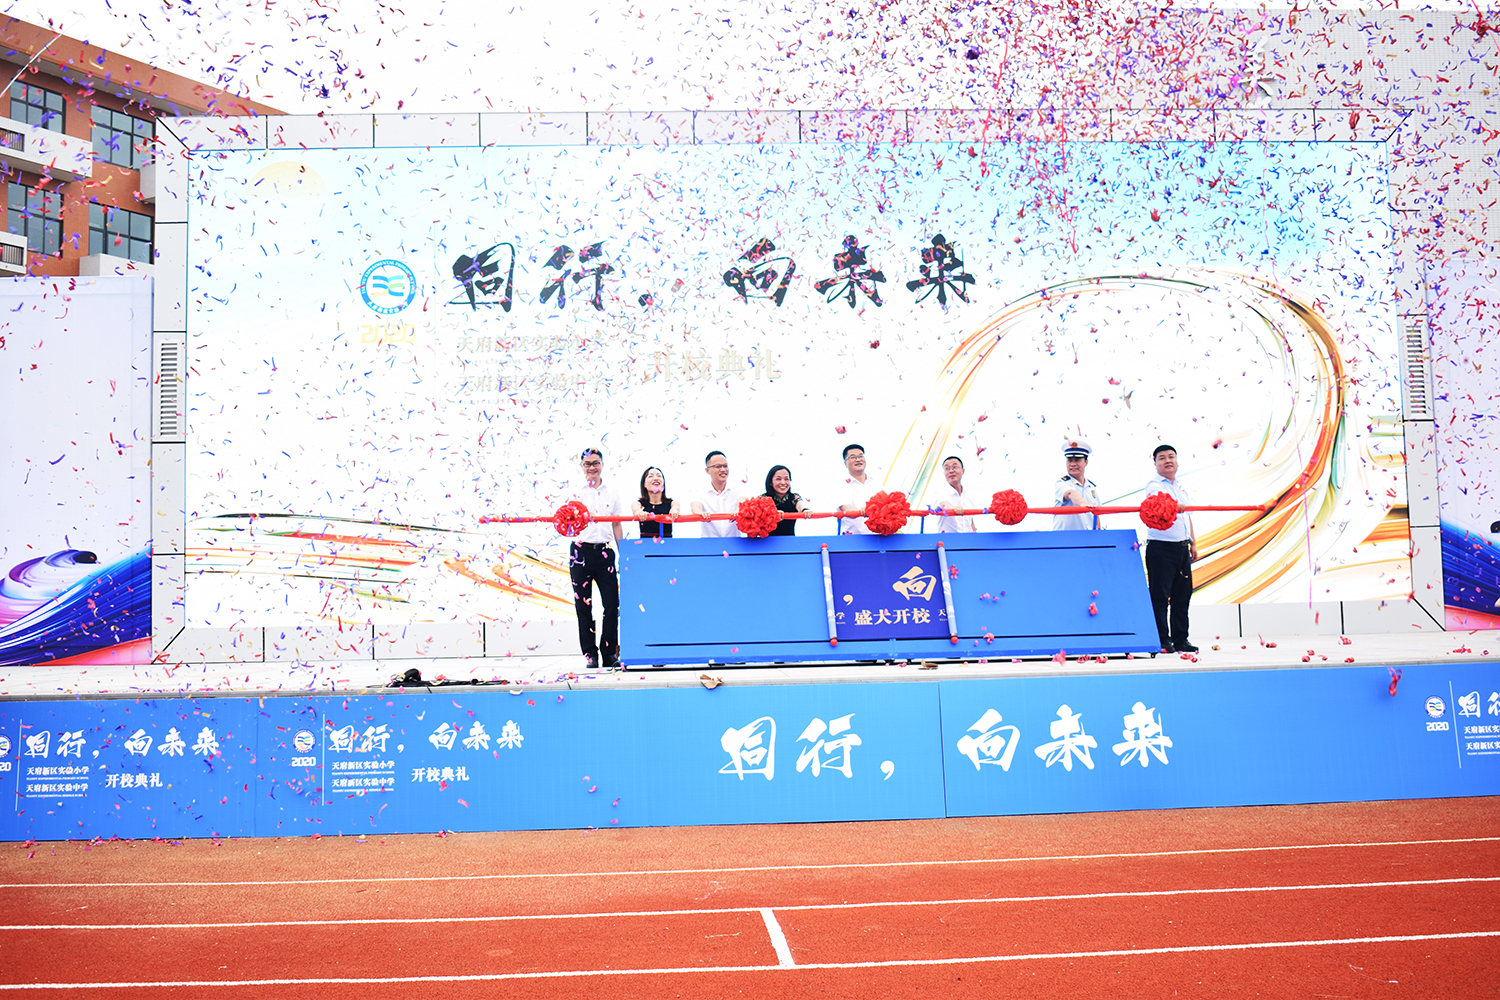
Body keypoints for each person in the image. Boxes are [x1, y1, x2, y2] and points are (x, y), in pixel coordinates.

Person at [569, 447, 623, 669]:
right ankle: (590, 653)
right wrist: (581, 516)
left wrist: (623, 553)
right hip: (580, 552)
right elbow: (566, 524)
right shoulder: (574, 493)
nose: (592, 467)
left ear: (602, 464)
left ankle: (609, 653)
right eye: (587, 464)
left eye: (595, 463)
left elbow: (617, 524)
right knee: (583, 606)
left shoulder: (612, 492)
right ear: (582, 466)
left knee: (612, 604)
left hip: (605, 552)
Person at [1144, 444, 1198, 654]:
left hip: (1182, 547)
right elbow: (1160, 503)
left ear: (1177, 461)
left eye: (1171, 457)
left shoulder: (1180, 487)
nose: (1168, 461)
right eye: (1162, 458)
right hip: (1161, 548)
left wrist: (1193, 542)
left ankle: (1181, 639)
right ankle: (1162, 639)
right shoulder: (1154, 485)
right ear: (1155, 463)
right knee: (1160, 596)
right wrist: (1175, 505)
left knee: (1182, 596)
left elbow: (1187, 516)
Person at [691, 450, 741, 538]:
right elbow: (695, 507)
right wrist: (701, 514)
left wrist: (739, 510)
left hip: (734, 542)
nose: (723, 469)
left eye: (725, 466)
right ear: (707, 470)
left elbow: (743, 501)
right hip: (709, 543)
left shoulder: (737, 488)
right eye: (718, 466)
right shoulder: (699, 491)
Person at [1053, 439, 1101, 531]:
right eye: (1069, 460)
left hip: (1088, 537)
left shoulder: (1091, 487)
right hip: (1065, 537)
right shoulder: (1062, 483)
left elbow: (1096, 514)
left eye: (1077, 460)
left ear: (1086, 462)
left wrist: (1099, 533)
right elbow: (1070, 493)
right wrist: (1083, 503)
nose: (1073, 464)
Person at [837, 443, 880, 534]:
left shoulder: (875, 483)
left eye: (860, 456)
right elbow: (846, 507)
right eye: (853, 457)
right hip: (853, 538)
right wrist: (863, 511)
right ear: (845, 463)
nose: (858, 459)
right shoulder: (842, 485)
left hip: (878, 537)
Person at [762, 465, 812, 536]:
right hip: (767, 540)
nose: (783, 483)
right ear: (770, 482)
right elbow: (761, 510)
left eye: (786, 479)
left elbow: (799, 504)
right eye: (778, 479)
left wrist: (805, 510)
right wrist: (773, 512)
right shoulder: (763, 498)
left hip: (789, 540)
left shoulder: (794, 497)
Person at [933, 455, 977, 532]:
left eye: (954, 467)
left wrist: (975, 533)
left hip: (968, 537)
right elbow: (943, 503)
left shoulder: (968, 495)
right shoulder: (941, 491)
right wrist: (953, 508)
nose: (951, 471)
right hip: (949, 538)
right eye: (947, 468)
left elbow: (970, 520)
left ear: (963, 471)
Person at [632, 466, 678, 538]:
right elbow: (636, 510)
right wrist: (640, 513)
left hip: (667, 543)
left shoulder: (672, 503)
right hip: (646, 543)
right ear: (644, 484)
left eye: (659, 476)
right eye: (650, 476)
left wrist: (674, 511)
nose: (656, 478)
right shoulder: (639, 503)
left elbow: (676, 508)